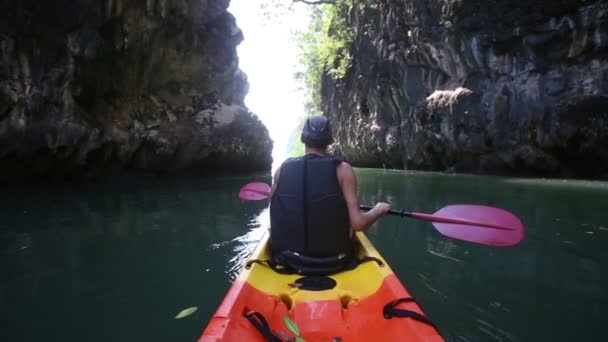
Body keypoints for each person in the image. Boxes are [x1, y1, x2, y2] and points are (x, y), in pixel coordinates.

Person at [269, 116, 391, 275]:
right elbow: (358, 224)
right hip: (334, 261)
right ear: (330, 140)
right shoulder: (343, 170)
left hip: (288, 260)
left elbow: (275, 205)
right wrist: (378, 210)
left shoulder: (282, 169)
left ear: (302, 139)